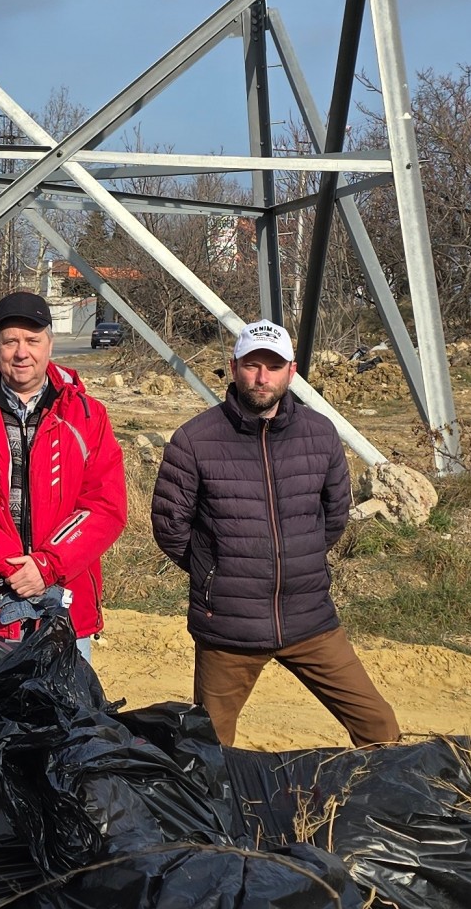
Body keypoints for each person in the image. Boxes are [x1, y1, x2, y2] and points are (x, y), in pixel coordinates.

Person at [150, 319, 399, 749]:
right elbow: (170, 526)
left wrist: (298, 559)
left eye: (273, 365)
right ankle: (216, 817)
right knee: (210, 748)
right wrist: (218, 571)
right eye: (251, 365)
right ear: (233, 368)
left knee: (378, 725)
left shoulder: (320, 434)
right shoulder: (194, 440)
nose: (261, 377)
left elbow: (334, 515)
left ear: (292, 370)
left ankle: (380, 812)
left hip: (310, 619)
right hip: (228, 627)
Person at [0, 289, 126, 659]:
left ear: (49, 344)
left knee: (63, 713)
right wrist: (9, 568)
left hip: (64, 607)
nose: (22, 352)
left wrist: (47, 566)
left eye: (33, 340)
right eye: (10, 341)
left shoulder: (87, 415)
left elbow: (104, 506)